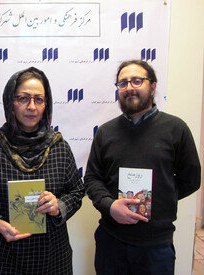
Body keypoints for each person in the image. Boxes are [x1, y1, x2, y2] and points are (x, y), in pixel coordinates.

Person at [0, 67, 85, 274]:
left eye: (39, 99)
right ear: (10, 102)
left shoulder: (59, 146)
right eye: (23, 98)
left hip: (51, 257)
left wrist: (59, 205)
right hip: (0, 254)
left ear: (47, 104)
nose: (32, 107)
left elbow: (77, 192)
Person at [84, 59, 201, 275]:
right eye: (123, 83)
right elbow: (92, 178)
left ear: (153, 86)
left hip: (156, 246)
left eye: (137, 81)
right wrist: (110, 205)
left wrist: (161, 197)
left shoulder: (176, 129)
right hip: (111, 241)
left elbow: (191, 179)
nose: (129, 88)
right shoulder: (105, 132)